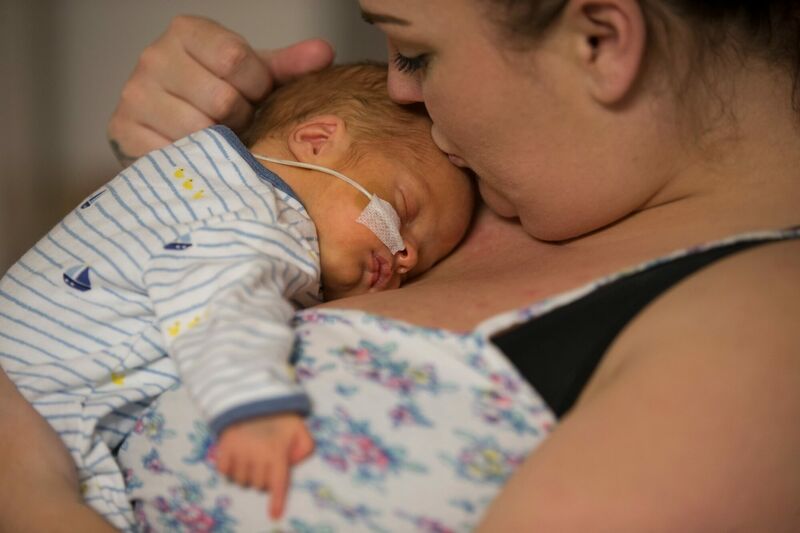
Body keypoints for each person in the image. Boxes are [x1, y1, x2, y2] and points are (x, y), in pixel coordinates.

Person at [3, 1, 800, 530]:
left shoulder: (765, 341)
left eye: (415, 52)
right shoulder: (481, 168)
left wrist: (27, 492)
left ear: (601, 38)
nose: (395, 86)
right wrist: (187, 173)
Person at [0, 61, 473, 530]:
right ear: (316, 141)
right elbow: (221, 296)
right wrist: (253, 404)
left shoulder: (197, 175)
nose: (407, 253)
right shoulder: (258, 218)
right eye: (405, 209)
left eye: (424, 259)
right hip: (41, 404)